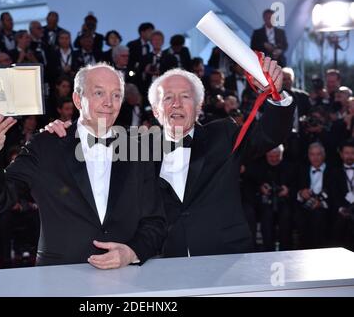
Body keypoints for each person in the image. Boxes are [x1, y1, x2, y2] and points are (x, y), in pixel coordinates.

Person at [46, 55, 295, 258]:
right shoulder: (133, 145)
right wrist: (59, 131)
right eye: (167, 98)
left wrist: (276, 94)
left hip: (224, 256)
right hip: (160, 260)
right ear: (155, 110)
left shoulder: (224, 135)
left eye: (185, 97)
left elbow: (269, 135)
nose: (176, 104)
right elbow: (88, 157)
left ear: (198, 107)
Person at [0, 63, 166, 267]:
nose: (109, 102)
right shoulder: (46, 145)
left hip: (127, 277)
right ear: (77, 99)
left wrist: (131, 252)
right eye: (99, 93)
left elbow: (155, 221)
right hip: (59, 278)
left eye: (116, 95)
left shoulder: (137, 147)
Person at [296, 142, 332, 249]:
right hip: (305, 206)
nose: (315, 158)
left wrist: (321, 204)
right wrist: (301, 193)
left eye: (318, 154)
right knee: (299, 217)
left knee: (318, 216)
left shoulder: (333, 171)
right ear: (308, 156)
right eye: (312, 154)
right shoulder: (301, 170)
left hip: (324, 207)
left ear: (323, 155)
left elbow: (336, 193)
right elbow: (295, 188)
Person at [330, 139, 354, 251]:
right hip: (343, 208)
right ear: (341, 154)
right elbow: (334, 193)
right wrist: (340, 208)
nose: (350, 156)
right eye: (347, 153)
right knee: (340, 223)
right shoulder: (335, 172)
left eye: (352, 153)